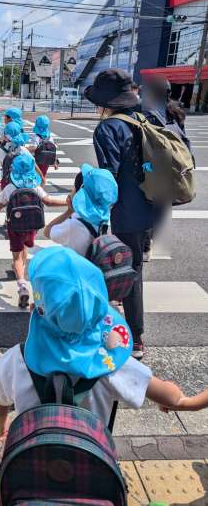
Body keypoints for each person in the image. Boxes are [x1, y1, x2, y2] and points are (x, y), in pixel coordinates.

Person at [0, 246, 203, 441]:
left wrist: (0, 428)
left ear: (37, 309)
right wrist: (188, 402)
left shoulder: (17, 360)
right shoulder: (112, 365)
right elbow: (173, 398)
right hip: (89, 467)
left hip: (35, 464)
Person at [85, 68, 159, 360]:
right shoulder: (144, 118)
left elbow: (109, 177)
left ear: (106, 102)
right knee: (133, 264)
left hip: (126, 211)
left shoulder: (108, 129)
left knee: (126, 269)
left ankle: (134, 338)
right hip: (150, 204)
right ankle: (122, 318)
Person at [0, 153, 69, 308]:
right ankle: (22, 270)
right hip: (32, 226)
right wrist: (68, 203)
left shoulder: (9, 188)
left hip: (14, 226)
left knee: (16, 257)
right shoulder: (34, 187)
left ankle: (22, 285)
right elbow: (49, 201)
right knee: (25, 248)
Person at [140, 75, 193, 262]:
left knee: (147, 205)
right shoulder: (175, 112)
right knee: (162, 208)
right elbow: (184, 140)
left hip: (152, 168)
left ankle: (145, 244)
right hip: (174, 168)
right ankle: (149, 242)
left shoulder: (146, 113)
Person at [44, 163, 118, 257]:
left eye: (74, 188)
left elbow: (48, 231)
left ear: (80, 193)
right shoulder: (103, 215)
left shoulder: (73, 225)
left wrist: (69, 212)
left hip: (76, 265)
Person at [29, 114, 59, 180]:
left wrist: (26, 149)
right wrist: (55, 162)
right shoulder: (50, 137)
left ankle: (37, 185)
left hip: (37, 161)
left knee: (35, 176)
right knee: (42, 175)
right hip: (46, 162)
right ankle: (41, 184)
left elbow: (34, 148)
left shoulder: (36, 137)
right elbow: (53, 150)